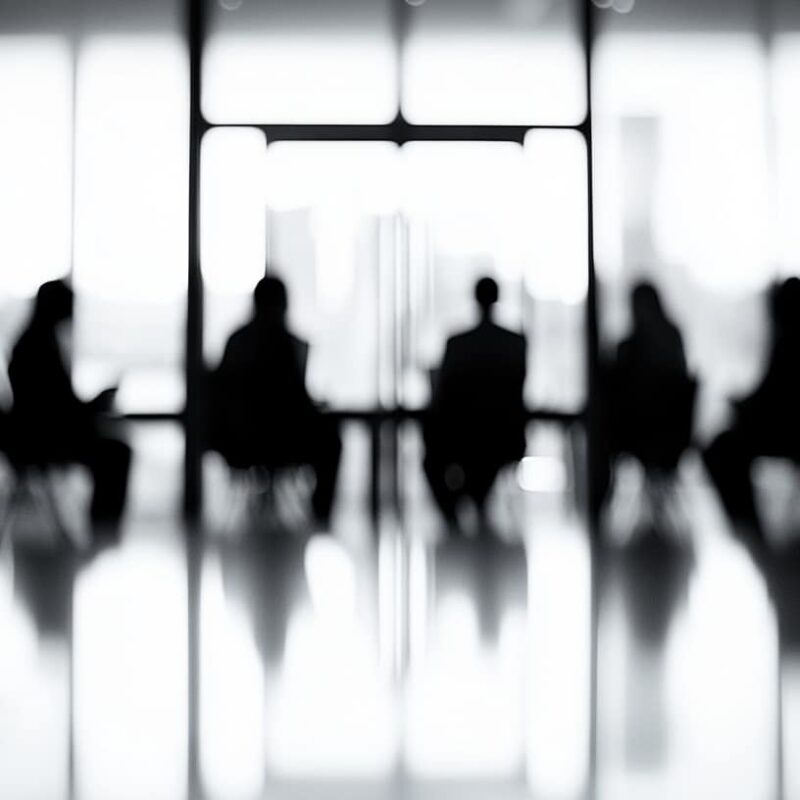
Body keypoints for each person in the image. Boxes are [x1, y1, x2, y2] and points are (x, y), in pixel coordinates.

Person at [208, 276, 341, 526]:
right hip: (281, 441)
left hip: (239, 443)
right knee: (331, 439)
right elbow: (295, 403)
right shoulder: (284, 343)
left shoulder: (236, 341)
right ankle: (321, 516)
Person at [8, 280, 131, 532]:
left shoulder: (32, 342)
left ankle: (101, 532)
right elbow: (60, 411)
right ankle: (103, 532)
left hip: (36, 437)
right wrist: (98, 402)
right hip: (44, 440)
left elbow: (59, 407)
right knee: (117, 453)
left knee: (114, 450)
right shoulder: (40, 348)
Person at [423, 277, 527, 527]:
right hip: (502, 437)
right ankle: (472, 503)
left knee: (434, 461)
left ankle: (455, 517)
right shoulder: (514, 343)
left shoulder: (458, 343)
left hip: (462, 437)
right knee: (479, 465)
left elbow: (442, 393)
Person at [704, 277, 800, 541]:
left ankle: (748, 529)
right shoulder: (786, 344)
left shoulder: (787, 345)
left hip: (787, 435)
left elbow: (772, 401)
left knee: (720, 448)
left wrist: (740, 405)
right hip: (785, 431)